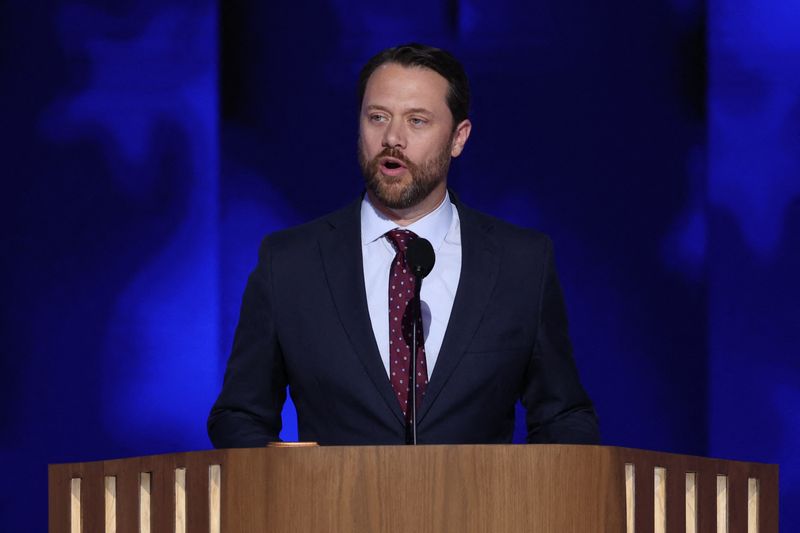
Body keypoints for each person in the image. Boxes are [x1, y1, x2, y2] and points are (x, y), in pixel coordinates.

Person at [208, 43, 599, 447]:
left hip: (481, 509)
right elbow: (239, 416)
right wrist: (292, 481)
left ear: (458, 138)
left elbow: (564, 417)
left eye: (417, 121)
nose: (392, 138)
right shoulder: (290, 263)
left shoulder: (521, 264)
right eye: (377, 117)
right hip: (329, 508)